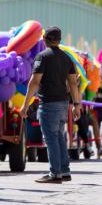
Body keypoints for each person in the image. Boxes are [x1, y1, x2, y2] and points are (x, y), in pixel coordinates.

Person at [19, 27, 81, 184]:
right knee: (59, 137)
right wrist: (77, 105)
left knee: (51, 139)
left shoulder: (42, 57)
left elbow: (34, 82)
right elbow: (73, 83)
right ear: (59, 40)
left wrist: (25, 105)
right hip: (63, 104)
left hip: (49, 104)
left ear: (45, 39)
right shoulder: (67, 58)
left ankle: (55, 173)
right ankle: (65, 171)